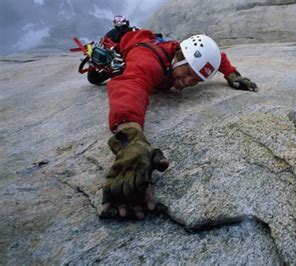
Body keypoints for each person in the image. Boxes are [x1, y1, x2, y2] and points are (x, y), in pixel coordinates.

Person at [97, 16, 258, 219]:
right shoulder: (148, 62)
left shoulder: (184, 54)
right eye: (188, 72)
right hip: (126, 41)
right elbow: (130, 85)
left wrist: (232, 75)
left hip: (151, 40)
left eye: (196, 79)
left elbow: (218, 57)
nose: (188, 82)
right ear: (179, 56)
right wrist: (130, 137)